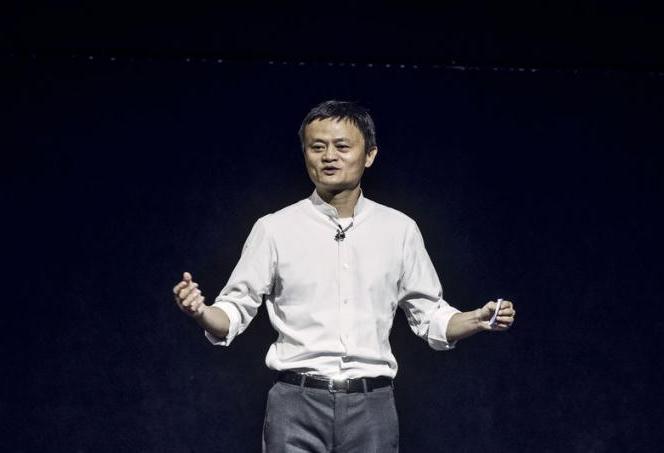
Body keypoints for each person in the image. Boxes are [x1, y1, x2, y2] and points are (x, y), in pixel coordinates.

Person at [173, 100, 516, 452]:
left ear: (369, 155)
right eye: (317, 147)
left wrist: (476, 319)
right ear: (304, 153)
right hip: (295, 401)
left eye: (342, 146)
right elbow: (233, 310)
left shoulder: (399, 230)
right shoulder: (274, 228)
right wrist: (202, 312)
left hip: (371, 404)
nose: (329, 157)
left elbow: (430, 316)